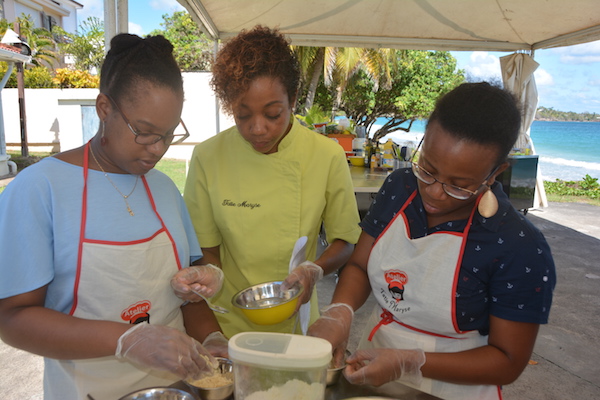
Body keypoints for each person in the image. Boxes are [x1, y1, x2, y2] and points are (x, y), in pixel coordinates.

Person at [0, 34, 225, 400]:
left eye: (169, 135)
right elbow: (12, 319)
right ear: (104, 108)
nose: (157, 149)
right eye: (145, 133)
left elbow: (188, 298)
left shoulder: (165, 190)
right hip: (86, 390)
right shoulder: (40, 190)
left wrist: (212, 338)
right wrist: (126, 339)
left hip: (174, 389)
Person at [308, 82, 556, 400]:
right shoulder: (399, 188)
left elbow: (507, 361)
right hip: (372, 371)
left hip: (457, 389)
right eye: (428, 168)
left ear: (495, 173)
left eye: (460, 185)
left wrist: (411, 361)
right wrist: (339, 312)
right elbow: (359, 264)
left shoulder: (518, 246)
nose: (435, 192)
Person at [180, 25, 361, 338]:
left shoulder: (326, 155)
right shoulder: (208, 157)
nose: (258, 128)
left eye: (273, 113)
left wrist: (314, 269)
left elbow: (345, 240)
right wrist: (211, 274)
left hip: (296, 315)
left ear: (291, 100)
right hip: (228, 320)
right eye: (243, 115)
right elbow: (205, 246)